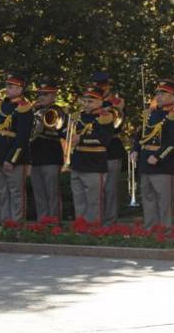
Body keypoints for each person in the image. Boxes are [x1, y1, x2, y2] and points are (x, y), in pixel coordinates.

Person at [133, 80, 174, 229]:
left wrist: (158, 156)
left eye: (164, 93)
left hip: (163, 165)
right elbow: (139, 136)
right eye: (158, 93)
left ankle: (165, 230)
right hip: (145, 161)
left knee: (164, 201)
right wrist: (135, 150)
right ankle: (150, 229)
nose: (159, 96)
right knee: (148, 199)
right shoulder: (150, 115)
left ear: (173, 97)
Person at [0, 73, 33, 223]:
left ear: (20, 89)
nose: (8, 89)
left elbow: (22, 139)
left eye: (12, 87)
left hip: (12, 158)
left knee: (16, 193)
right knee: (3, 192)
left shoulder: (23, 108)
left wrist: (11, 159)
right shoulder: (1, 105)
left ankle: (16, 225)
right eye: (7, 86)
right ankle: (5, 223)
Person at [69, 88, 115, 223]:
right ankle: (81, 228)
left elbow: (104, 140)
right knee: (79, 201)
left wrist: (81, 139)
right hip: (77, 162)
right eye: (85, 101)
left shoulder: (105, 117)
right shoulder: (77, 116)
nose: (86, 104)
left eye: (91, 101)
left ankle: (94, 230)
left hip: (94, 164)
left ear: (100, 101)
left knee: (94, 202)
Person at [91, 72, 127, 225]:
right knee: (94, 189)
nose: (99, 88)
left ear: (108, 86)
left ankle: (110, 222)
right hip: (93, 148)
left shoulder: (116, 102)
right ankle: (95, 221)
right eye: (97, 85)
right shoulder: (90, 100)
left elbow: (116, 124)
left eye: (102, 85)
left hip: (111, 148)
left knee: (110, 189)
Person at [29, 81, 66, 221]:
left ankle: (54, 222)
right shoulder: (34, 110)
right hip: (35, 157)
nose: (41, 97)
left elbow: (61, 131)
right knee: (39, 193)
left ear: (53, 96)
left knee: (52, 193)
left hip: (51, 157)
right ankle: (42, 222)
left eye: (45, 94)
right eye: (40, 94)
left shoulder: (58, 111)